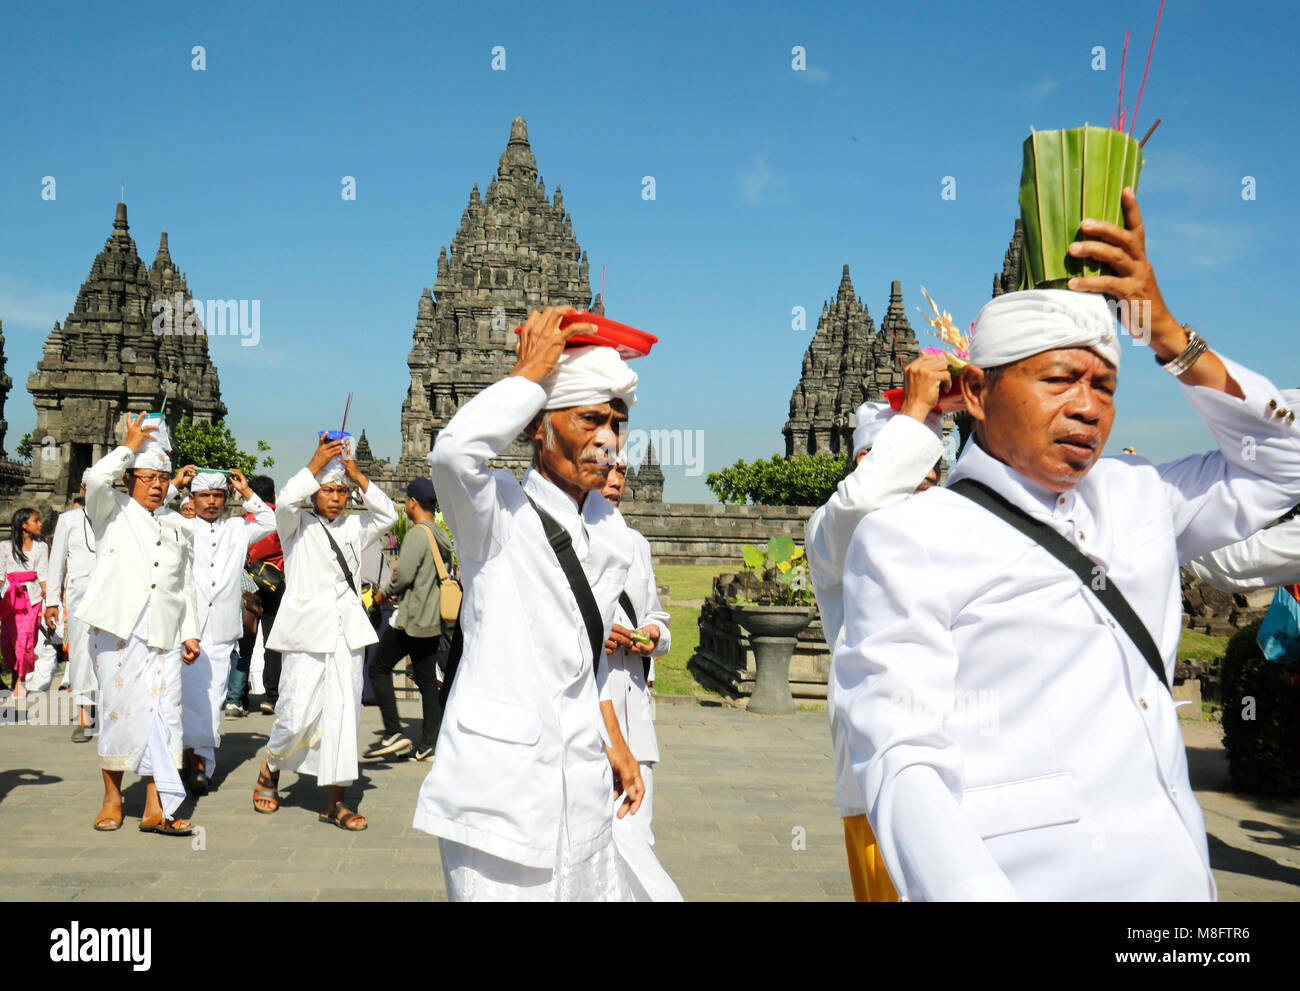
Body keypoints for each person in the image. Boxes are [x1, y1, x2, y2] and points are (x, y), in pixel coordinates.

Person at [833, 189, 1300, 900]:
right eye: (1059, 379)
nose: (1087, 405)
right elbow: (902, 757)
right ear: (978, 391)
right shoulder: (909, 538)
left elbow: (1287, 459)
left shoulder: (1140, 497)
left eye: (1105, 385)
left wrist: (1166, 332)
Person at [413, 306, 646, 902]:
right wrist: (528, 380)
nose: (607, 440)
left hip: (584, 785)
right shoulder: (497, 511)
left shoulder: (611, 530)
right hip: (501, 795)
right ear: (536, 428)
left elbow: (581, 660)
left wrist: (613, 742)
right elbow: (452, 455)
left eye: (617, 424)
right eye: (590, 418)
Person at [806, 354, 948, 902]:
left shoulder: (948, 525)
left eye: (933, 467)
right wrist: (914, 412)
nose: (926, 479)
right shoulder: (832, 528)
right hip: (879, 751)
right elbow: (863, 499)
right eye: (913, 465)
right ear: (866, 460)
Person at [251, 434, 396, 830]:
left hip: (345, 633)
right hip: (305, 634)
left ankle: (336, 800)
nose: (335, 496)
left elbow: (389, 517)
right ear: (314, 492)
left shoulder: (354, 527)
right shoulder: (295, 525)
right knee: (295, 712)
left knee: (343, 716)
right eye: (327, 490)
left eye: (341, 491)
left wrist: (357, 474)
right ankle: (271, 767)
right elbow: (282, 500)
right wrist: (315, 463)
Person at [79, 413, 201, 835]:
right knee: (119, 712)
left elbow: (186, 584)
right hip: (118, 631)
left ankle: (157, 804)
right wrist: (128, 446)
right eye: (147, 477)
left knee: (166, 716)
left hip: (164, 632)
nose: (156, 485)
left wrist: (191, 631)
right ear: (130, 478)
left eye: (162, 479)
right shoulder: (110, 509)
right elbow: (95, 479)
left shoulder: (177, 525)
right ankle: (112, 798)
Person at [598, 456, 681, 901]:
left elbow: (656, 619)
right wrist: (597, 633)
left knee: (635, 837)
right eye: (605, 470)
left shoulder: (637, 544)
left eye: (621, 473)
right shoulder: (558, 544)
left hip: (634, 713)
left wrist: (653, 635)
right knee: (600, 849)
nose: (614, 481)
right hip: (588, 718)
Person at [180, 469, 275, 792]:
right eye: (204, 496)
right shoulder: (180, 527)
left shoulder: (237, 528)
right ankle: (183, 755)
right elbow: (153, 515)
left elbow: (270, 523)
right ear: (192, 499)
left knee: (212, 696)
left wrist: (247, 491)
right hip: (185, 627)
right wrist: (174, 485)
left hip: (220, 628)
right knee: (182, 696)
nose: (211, 502)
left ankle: (203, 763)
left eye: (218, 496)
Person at [364, 477, 452, 762]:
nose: (404, 504)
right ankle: (429, 742)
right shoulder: (441, 535)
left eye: (406, 500)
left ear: (413, 502)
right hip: (432, 620)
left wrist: (381, 596)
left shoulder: (417, 534)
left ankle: (393, 731)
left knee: (378, 668)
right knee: (427, 680)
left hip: (411, 618)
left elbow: (403, 577)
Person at [46, 481, 99, 740]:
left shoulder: (120, 515)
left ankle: (109, 711)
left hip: (114, 595)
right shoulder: (68, 520)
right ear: (82, 489)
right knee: (81, 653)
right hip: (79, 596)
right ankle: (83, 715)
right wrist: (52, 601)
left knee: (114, 653)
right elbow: (56, 562)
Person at [244, 475, 285, 715]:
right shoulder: (278, 518)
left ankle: (237, 695)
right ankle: (271, 695)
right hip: (276, 583)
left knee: (245, 637)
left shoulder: (246, 519)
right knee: (273, 641)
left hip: (249, 581)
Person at [1, 507, 49, 698]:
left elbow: (44, 574)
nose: (40, 524)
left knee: (25, 639)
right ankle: (15, 678)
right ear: (23, 524)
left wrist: (50, 600)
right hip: (10, 598)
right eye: (36, 521)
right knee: (11, 640)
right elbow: (0, 574)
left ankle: (20, 680)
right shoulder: (5, 546)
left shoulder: (42, 547)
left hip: (33, 599)